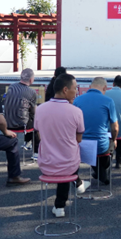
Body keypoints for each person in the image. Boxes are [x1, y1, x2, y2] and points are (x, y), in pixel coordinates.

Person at [35, 73, 89, 217]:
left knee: (63, 156)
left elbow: (39, 135)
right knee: (68, 157)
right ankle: (62, 203)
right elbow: (78, 139)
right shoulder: (76, 112)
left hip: (46, 163)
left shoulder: (40, 109)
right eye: (75, 88)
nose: (76, 92)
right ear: (65, 90)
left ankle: (61, 205)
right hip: (69, 165)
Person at [73, 77, 118, 185]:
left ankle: (99, 173)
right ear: (105, 88)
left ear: (90, 87)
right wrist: (115, 139)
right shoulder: (108, 101)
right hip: (101, 145)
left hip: (81, 143)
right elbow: (115, 127)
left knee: (93, 151)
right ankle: (102, 174)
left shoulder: (77, 100)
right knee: (110, 145)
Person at [4, 68, 39, 155]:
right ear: (31, 79)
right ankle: (36, 152)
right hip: (21, 125)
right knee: (37, 122)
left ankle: (27, 142)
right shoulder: (31, 92)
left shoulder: (11, 87)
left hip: (7, 123)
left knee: (27, 115)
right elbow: (34, 111)